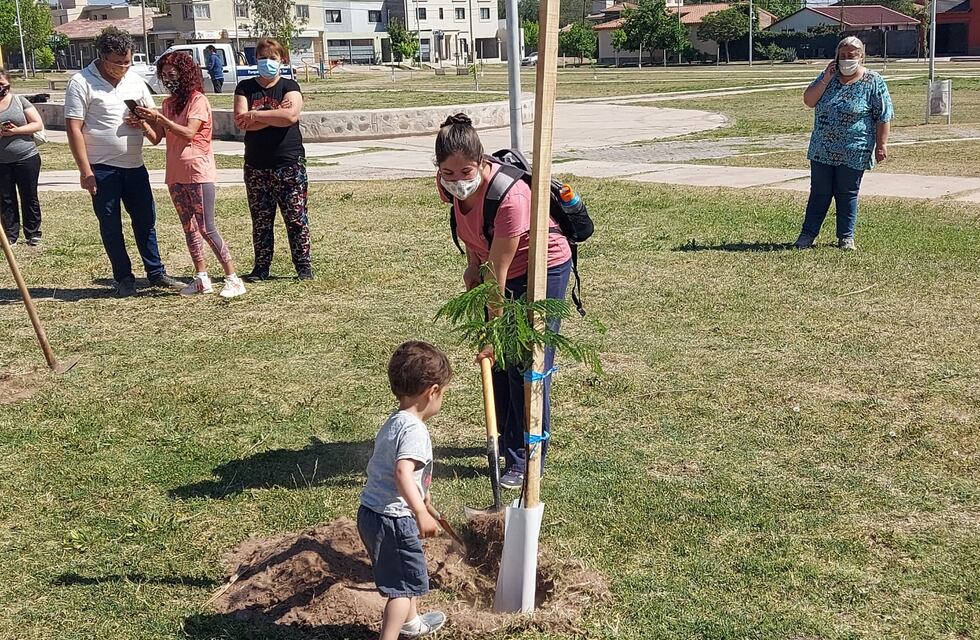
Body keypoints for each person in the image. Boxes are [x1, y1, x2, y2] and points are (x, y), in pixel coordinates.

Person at [435, 113, 572, 490]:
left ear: (482, 163)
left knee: (525, 363)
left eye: (466, 172)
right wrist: (470, 267)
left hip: (541, 268)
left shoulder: (511, 198)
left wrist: (491, 332)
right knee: (498, 366)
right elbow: (475, 240)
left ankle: (528, 457)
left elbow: (499, 273)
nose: (458, 181)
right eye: (448, 173)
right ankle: (505, 440)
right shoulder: (447, 185)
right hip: (496, 267)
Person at [64, 27, 179, 297]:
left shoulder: (136, 81)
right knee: (110, 223)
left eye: (128, 61)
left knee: (145, 219)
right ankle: (124, 277)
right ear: (102, 56)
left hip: (135, 166)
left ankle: (156, 272)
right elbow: (73, 128)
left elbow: (153, 126)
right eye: (118, 62)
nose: (124, 67)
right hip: (102, 169)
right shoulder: (81, 82)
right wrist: (85, 171)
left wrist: (143, 120)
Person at [133, 52, 246, 298]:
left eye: (172, 75)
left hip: (198, 172)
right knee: (189, 228)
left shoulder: (198, 100)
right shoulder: (168, 103)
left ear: (185, 74)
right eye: (164, 76)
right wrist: (143, 123)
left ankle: (232, 277)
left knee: (207, 227)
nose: (168, 80)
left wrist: (160, 118)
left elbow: (188, 133)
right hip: (175, 173)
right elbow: (157, 139)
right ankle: (201, 277)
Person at [358, 341, 450, 639]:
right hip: (393, 520)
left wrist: (422, 496)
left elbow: (398, 474)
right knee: (400, 589)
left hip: (371, 513)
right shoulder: (415, 430)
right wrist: (421, 512)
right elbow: (401, 472)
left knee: (403, 575)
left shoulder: (395, 421)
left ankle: (412, 624)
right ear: (432, 391)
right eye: (443, 393)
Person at [795, 36, 893, 252]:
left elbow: (883, 115)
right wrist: (826, 78)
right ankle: (807, 235)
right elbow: (809, 100)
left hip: (855, 149)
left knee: (847, 192)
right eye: (843, 55)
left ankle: (846, 237)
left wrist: (881, 144)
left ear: (861, 56)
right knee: (819, 192)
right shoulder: (828, 76)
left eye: (852, 55)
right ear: (836, 56)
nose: (847, 59)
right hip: (822, 149)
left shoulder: (873, 81)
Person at [232, 37, 313, 282]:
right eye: (262, 57)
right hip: (257, 165)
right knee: (261, 221)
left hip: (288, 163)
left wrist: (256, 114)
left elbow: (290, 117)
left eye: (272, 58)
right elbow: (241, 121)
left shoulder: (290, 86)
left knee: (296, 218)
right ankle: (261, 268)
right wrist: (272, 115)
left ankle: (303, 267)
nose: (267, 62)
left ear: (282, 60)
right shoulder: (245, 88)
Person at [0, 67, 44, 246]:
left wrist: (16, 131)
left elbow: (37, 124)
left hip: (27, 157)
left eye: (2, 83)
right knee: (6, 198)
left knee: (29, 195)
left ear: (8, 83)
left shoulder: (19, 101)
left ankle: (33, 233)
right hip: (2, 162)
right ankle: (11, 235)